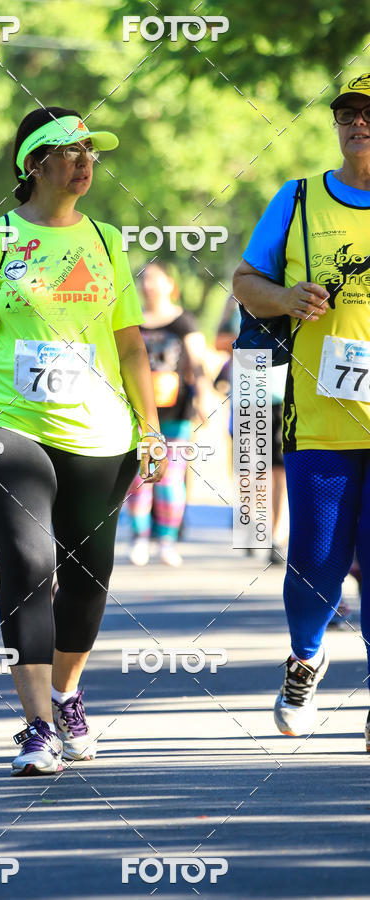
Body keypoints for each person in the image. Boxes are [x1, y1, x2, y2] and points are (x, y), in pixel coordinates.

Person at [0, 106, 167, 776]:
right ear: (33, 164)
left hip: (100, 431)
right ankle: (35, 726)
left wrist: (151, 428)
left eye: (90, 151)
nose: (84, 161)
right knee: (30, 564)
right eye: (69, 150)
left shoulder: (108, 241)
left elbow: (130, 345)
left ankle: (66, 695)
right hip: (7, 421)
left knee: (89, 576)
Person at [233, 74, 370, 747]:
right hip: (320, 416)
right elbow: (244, 282)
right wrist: (285, 299)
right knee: (316, 560)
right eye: (348, 113)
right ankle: (306, 658)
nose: (358, 123)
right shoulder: (297, 198)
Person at [127, 262, 212, 567]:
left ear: (170, 284)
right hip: (138, 412)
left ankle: (166, 541)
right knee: (140, 478)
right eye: (143, 279)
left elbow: (197, 362)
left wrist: (203, 395)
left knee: (170, 480)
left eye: (154, 279)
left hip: (176, 413)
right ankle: (140, 538)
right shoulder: (132, 319)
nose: (147, 285)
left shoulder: (183, 321)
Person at [216, 295, 289, 563]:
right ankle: (251, 522)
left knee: (279, 468)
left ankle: (276, 536)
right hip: (247, 396)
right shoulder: (239, 297)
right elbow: (219, 341)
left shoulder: (291, 294)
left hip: (282, 394)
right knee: (249, 467)